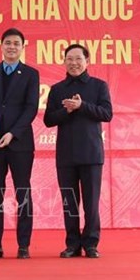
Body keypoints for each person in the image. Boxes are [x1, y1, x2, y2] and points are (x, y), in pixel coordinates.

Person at [43, 43, 113, 259]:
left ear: (87, 61)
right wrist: (67, 110)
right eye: (69, 59)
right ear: (64, 62)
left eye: (78, 59)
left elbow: (107, 113)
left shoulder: (99, 86)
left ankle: (91, 243)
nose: (74, 63)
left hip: (92, 154)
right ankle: (72, 243)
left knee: (91, 203)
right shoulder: (57, 89)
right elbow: (48, 120)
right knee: (70, 203)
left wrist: (82, 106)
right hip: (66, 155)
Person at [0, 28, 40, 259]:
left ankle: (23, 245)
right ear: (1, 46)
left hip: (20, 144)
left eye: (16, 43)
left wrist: (13, 133)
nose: (12, 46)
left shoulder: (30, 74)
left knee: (22, 193)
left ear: (22, 47)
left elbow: (31, 108)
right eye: (8, 43)